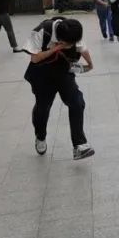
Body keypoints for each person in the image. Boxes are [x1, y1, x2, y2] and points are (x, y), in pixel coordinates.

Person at [23, 16, 95, 160]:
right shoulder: (42, 31)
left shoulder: (72, 30)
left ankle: (79, 145)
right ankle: (40, 136)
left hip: (63, 71)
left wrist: (90, 64)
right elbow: (35, 58)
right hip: (41, 72)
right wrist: (57, 48)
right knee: (43, 108)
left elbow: (82, 47)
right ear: (61, 40)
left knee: (76, 101)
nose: (74, 45)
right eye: (70, 44)